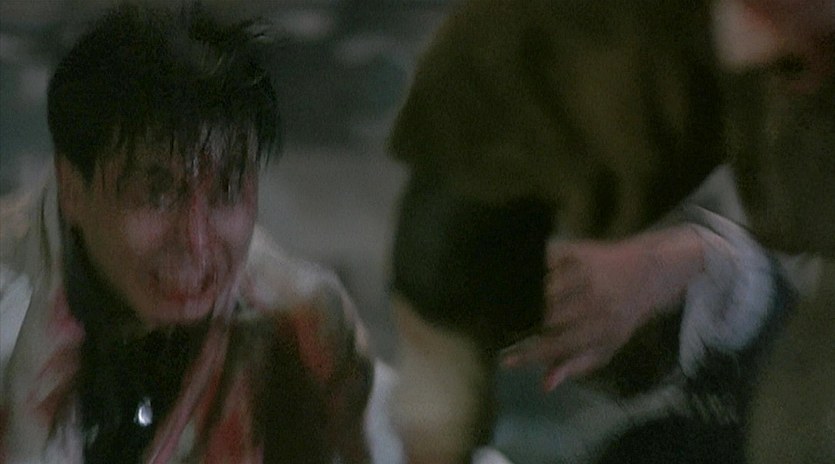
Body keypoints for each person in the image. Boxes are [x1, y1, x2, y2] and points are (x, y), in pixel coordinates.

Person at [0, 3, 372, 463]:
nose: (196, 242)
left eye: (227, 191)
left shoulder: (300, 326)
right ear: (73, 189)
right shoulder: (9, 313)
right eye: (157, 194)